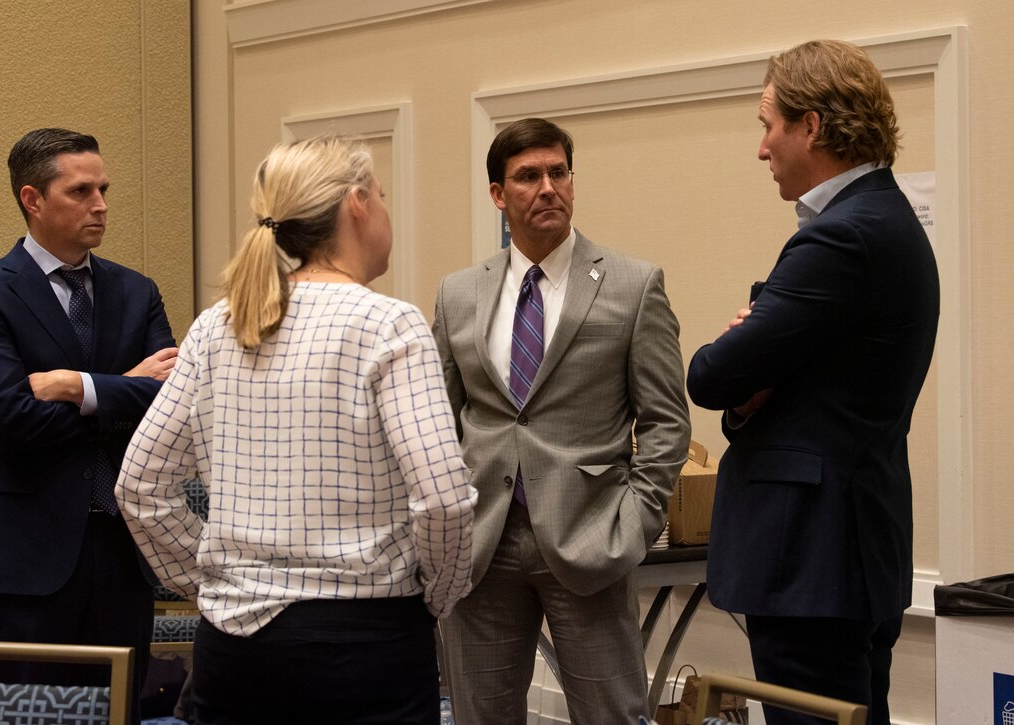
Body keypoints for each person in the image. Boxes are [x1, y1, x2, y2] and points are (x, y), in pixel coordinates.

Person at [116, 135, 476, 725]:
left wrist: (209, 579)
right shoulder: (389, 324)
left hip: (232, 647)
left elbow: (140, 487)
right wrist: (437, 594)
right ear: (358, 204)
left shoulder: (215, 328)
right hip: (365, 644)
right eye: (382, 196)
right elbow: (443, 497)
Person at [687, 40, 940, 725]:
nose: (762, 147)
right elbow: (772, 388)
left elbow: (708, 376)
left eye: (768, 124)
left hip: (814, 562)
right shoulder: (879, 221)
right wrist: (752, 378)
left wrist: (741, 360)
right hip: (847, 554)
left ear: (812, 126)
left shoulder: (842, 238)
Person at [433, 117, 691, 724]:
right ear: (499, 194)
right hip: (482, 544)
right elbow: (442, 418)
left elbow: (666, 421)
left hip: (590, 538)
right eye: (528, 176)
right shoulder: (459, 293)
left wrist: (633, 519)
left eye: (559, 172)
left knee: (613, 715)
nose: (548, 187)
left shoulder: (633, 286)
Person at [0, 127, 178, 722]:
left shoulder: (136, 291)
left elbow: (174, 401)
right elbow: (14, 421)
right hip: (27, 555)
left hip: (123, 549)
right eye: (80, 190)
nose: (100, 204)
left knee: (119, 712)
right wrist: (124, 387)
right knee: (29, 716)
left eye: (103, 188)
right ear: (32, 199)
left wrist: (75, 386)